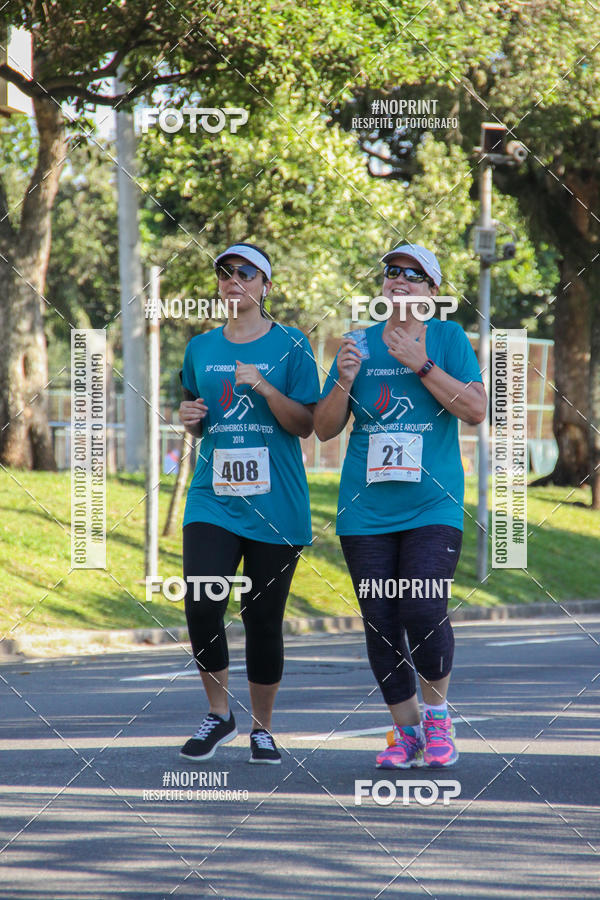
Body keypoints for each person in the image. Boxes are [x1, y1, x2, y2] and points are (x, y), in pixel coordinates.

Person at [314, 244, 487, 769]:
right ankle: (406, 732)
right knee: (381, 620)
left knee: (423, 607)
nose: (399, 280)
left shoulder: (449, 338)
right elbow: (323, 429)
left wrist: (423, 364)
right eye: (392, 272)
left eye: (413, 275)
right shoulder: (358, 343)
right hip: (365, 511)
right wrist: (343, 379)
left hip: (432, 505)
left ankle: (438, 718)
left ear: (433, 292)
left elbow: (477, 409)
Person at [178, 242, 320, 765]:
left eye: (244, 271)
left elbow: (306, 425)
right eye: (224, 272)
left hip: (276, 502)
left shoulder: (293, 344)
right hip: (212, 497)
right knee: (200, 601)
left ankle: (262, 728)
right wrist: (189, 416)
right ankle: (220, 714)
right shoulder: (200, 347)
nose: (232, 279)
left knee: (261, 618)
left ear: (264, 284)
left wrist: (262, 386)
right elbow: (195, 409)